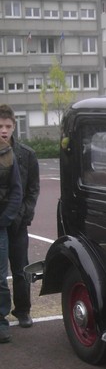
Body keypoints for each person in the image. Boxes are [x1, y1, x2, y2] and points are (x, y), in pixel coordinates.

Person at [2, 105, 39, 329]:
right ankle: (1, 314)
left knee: (20, 269)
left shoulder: (27, 154)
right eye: (0, 126)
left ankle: (23, 310)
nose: (3, 131)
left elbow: (32, 189)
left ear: (14, 126)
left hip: (18, 222)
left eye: (7, 126)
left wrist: (23, 214)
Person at [0, 104, 24, 343]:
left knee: (0, 279)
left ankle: (1, 323)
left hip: (0, 229)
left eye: (7, 126)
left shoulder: (9, 156)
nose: (3, 131)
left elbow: (17, 192)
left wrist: (4, 220)